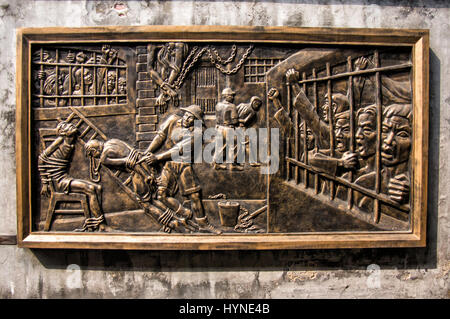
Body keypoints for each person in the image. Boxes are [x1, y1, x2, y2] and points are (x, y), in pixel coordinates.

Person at [144, 105, 222, 234]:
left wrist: (157, 157)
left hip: (184, 165)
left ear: (196, 120)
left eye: (191, 118)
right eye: (186, 115)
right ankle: (183, 215)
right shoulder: (172, 120)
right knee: (161, 196)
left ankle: (203, 224)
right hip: (168, 165)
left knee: (195, 196)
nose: (187, 118)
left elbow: (179, 149)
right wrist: (147, 152)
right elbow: (160, 137)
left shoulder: (197, 132)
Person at [38, 121, 107, 232]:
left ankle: (96, 224)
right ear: (63, 133)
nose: (71, 126)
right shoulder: (60, 141)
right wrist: (45, 183)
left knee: (98, 188)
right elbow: (41, 159)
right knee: (90, 189)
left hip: (65, 177)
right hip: (58, 181)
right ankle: (101, 224)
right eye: (67, 126)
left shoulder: (71, 140)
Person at [354, 104, 412, 220]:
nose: (389, 141)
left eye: (402, 134)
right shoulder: (364, 183)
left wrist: (413, 194)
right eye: (385, 131)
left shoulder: (411, 186)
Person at [213, 88, 243, 171]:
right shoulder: (232, 106)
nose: (233, 97)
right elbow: (235, 120)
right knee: (234, 145)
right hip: (228, 128)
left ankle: (216, 164)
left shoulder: (218, 105)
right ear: (226, 96)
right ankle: (233, 164)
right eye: (231, 95)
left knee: (219, 146)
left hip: (219, 127)